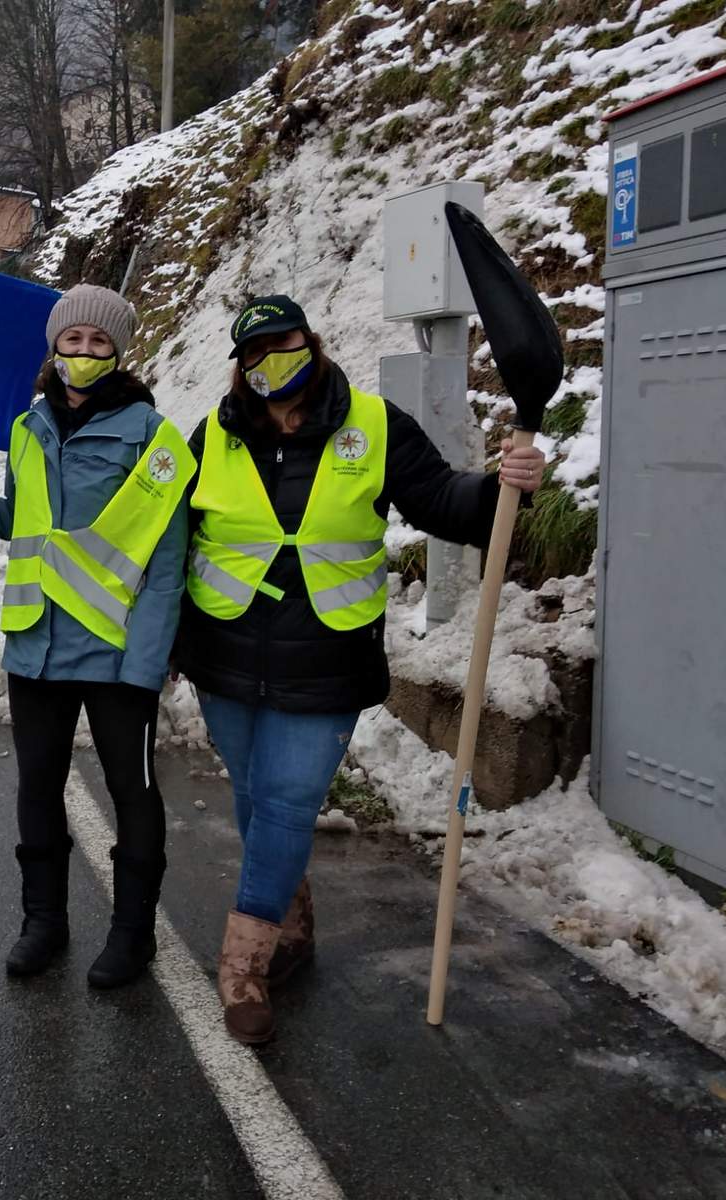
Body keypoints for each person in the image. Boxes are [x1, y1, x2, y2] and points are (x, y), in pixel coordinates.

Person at [175, 295, 546, 1043]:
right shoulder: (214, 434)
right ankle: (291, 926)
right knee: (255, 800)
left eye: (282, 343)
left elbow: (440, 499)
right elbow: (168, 531)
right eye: (254, 352)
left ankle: (243, 965)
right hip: (225, 654)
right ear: (240, 366)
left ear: (311, 342)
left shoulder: (373, 426)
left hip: (328, 656)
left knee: (287, 804)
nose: (270, 361)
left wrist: (500, 487)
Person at [0, 284, 195, 988]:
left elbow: (166, 565)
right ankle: (43, 922)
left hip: (115, 649)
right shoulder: (27, 428)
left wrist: (147, 663)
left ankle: (132, 934)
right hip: (36, 645)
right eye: (74, 339)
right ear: (55, 346)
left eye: (99, 341)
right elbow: (21, 524)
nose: (85, 351)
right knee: (38, 787)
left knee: (133, 793)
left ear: (118, 352)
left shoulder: (151, 438)